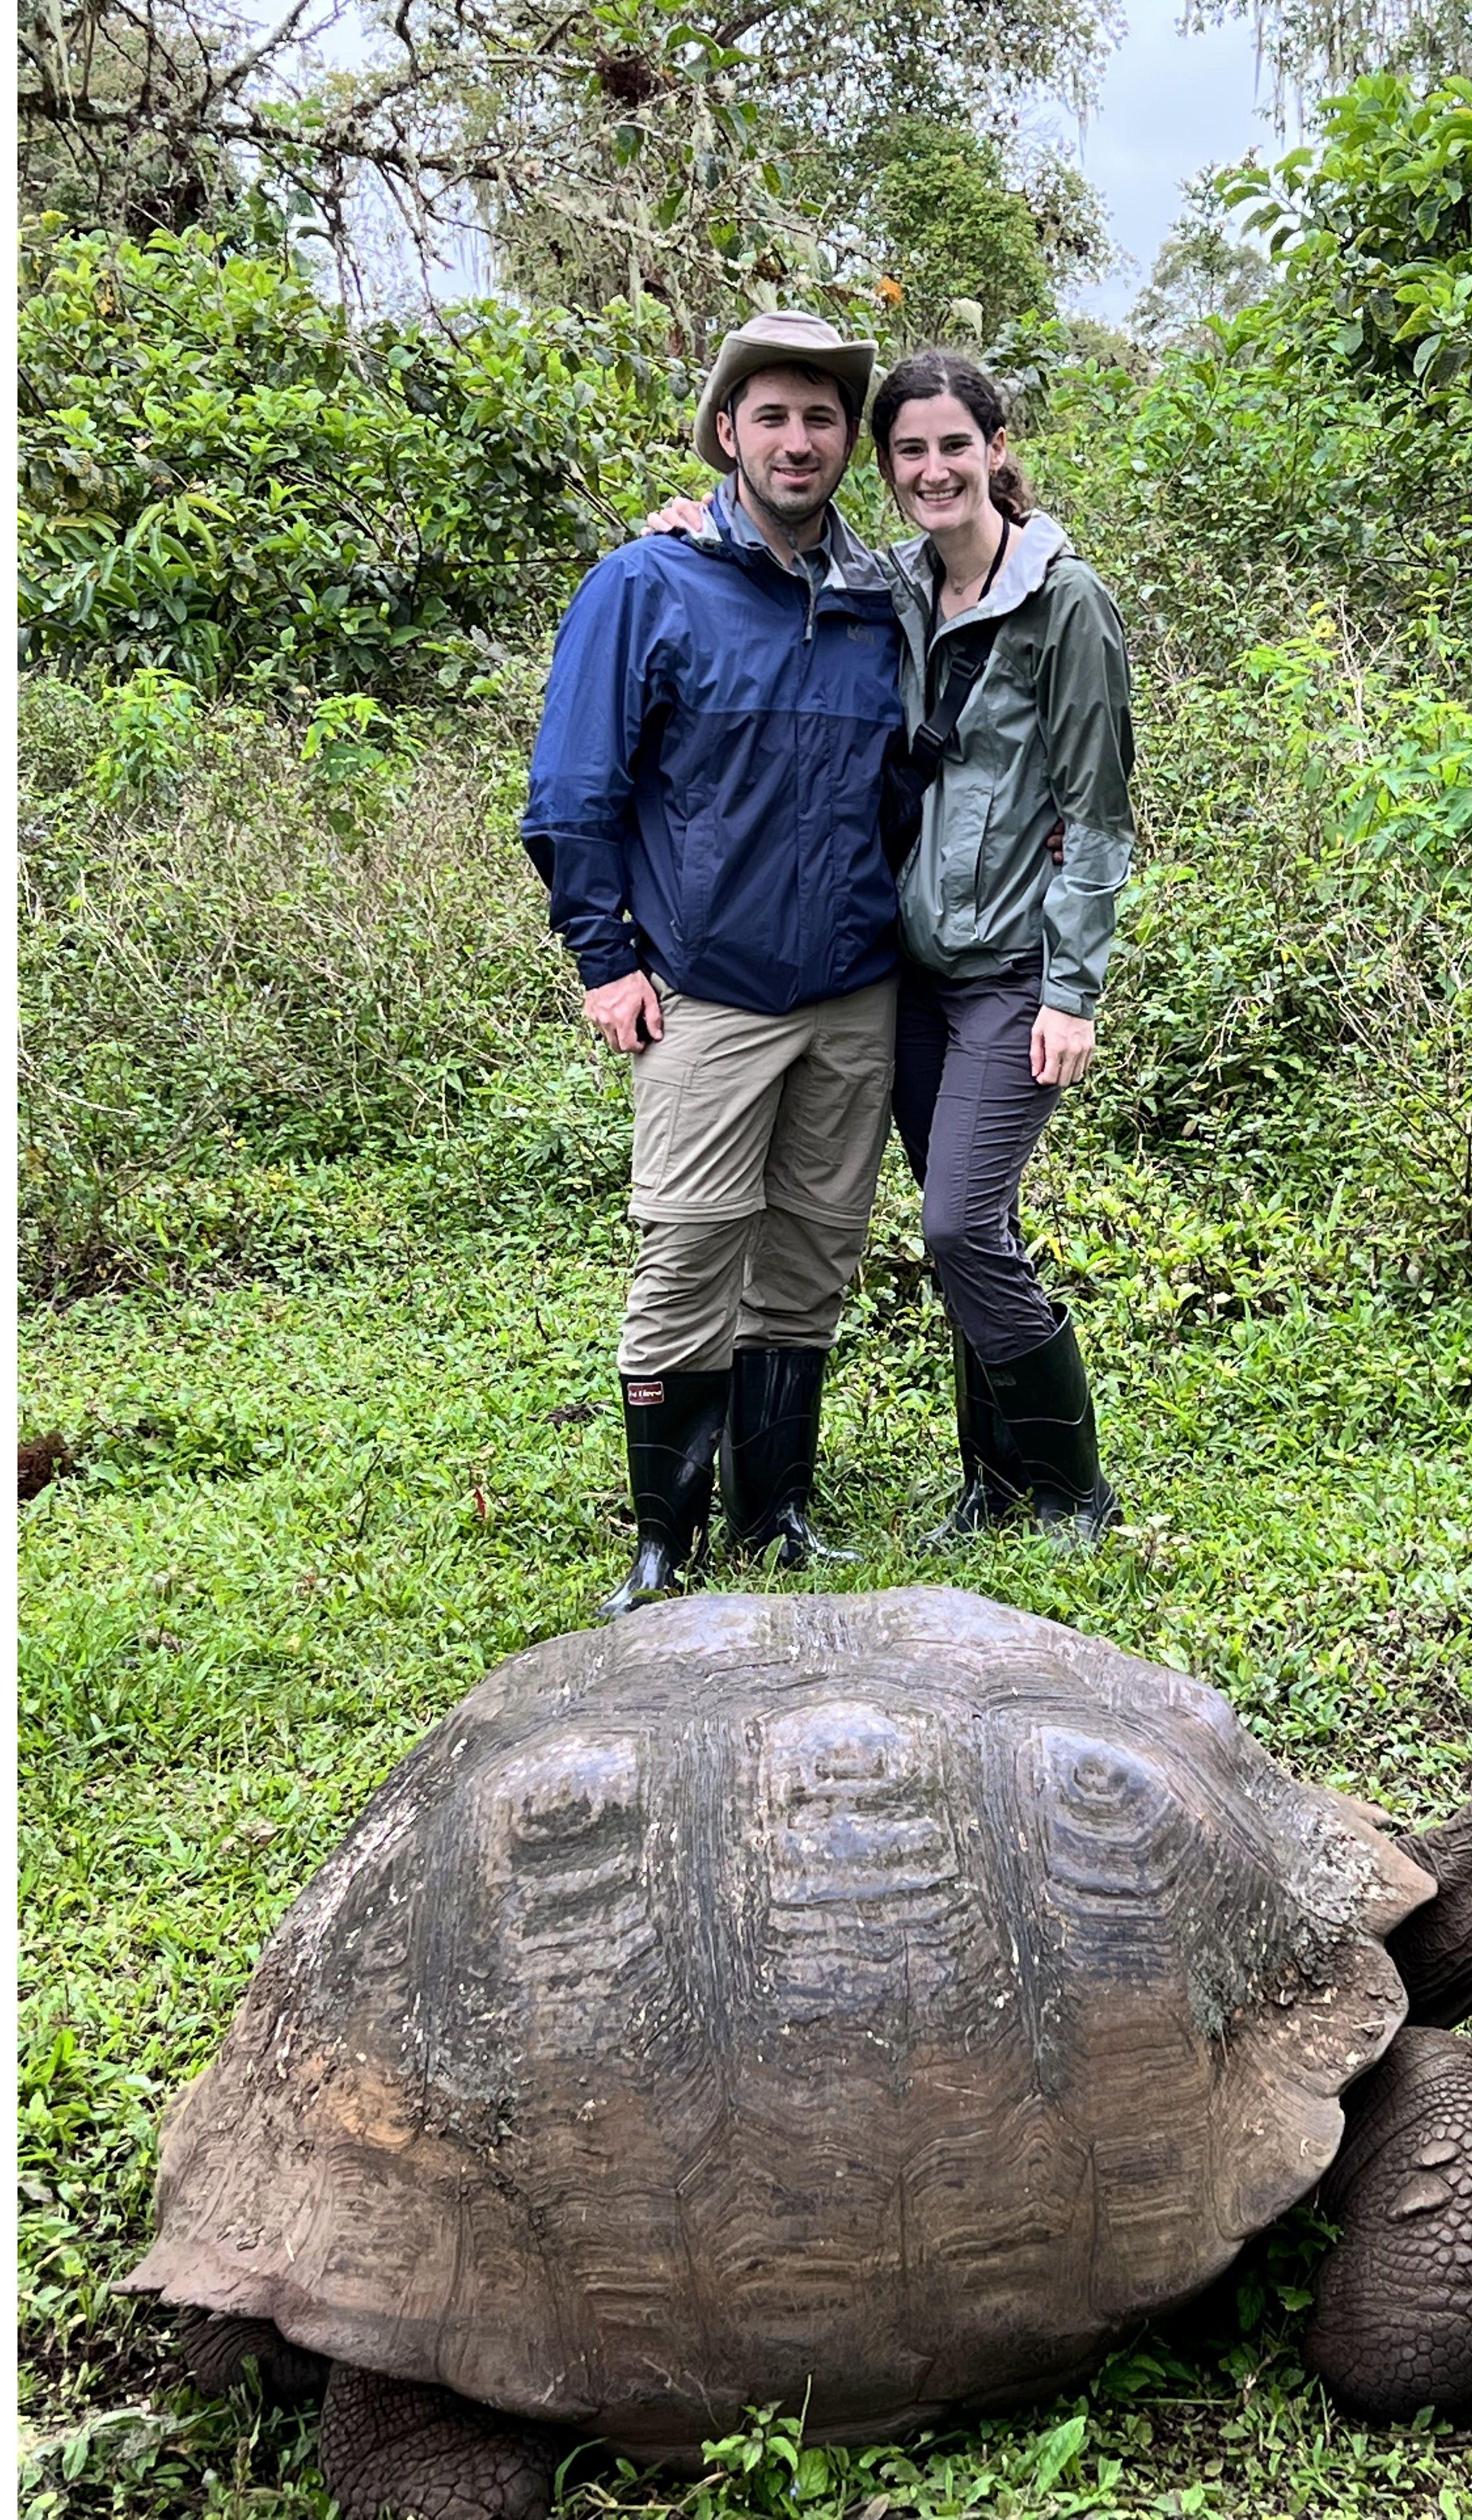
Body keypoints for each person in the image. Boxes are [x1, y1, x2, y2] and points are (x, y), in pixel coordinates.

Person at [642, 346, 1138, 1541]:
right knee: (978, 1230)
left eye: (954, 446)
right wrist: (689, 526)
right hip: (907, 966)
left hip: (1013, 969)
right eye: (909, 450)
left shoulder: (1065, 602)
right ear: (888, 465)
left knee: (960, 1226)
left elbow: (1099, 815)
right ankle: (994, 1481)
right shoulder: (895, 587)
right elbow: (770, 563)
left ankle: (1076, 1491)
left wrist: (1072, 991)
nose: (932, 470)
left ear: (997, 450)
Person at [519, 310, 907, 1616]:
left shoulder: (878, 599)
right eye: (774, 416)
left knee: (810, 1255)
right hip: (704, 990)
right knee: (687, 1252)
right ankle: (664, 1540)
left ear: (851, 438)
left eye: (823, 417)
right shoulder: (647, 585)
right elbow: (574, 788)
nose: (800, 441)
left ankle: (779, 1512)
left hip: (852, 988)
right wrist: (604, 956)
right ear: (727, 432)